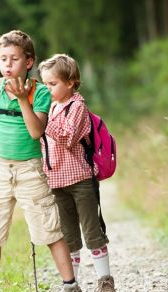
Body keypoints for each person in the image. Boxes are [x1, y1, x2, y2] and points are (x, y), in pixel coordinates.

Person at [0, 31, 81, 292]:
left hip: (30, 170)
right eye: (3, 59)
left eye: (14, 59)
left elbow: (36, 131)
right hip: (0, 169)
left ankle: (70, 284)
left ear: (28, 62)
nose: (7, 65)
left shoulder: (39, 93)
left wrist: (20, 99)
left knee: (49, 229)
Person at [38, 54, 116, 292]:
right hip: (56, 181)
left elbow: (68, 137)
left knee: (92, 230)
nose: (48, 89)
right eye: (45, 84)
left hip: (81, 180)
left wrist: (42, 124)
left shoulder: (77, 106)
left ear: (70, 82)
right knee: (68, 236)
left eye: (53, 84)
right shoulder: (49, 107)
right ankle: (72, 283)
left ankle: (105, 280)